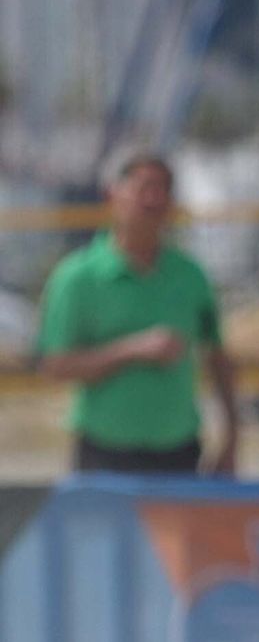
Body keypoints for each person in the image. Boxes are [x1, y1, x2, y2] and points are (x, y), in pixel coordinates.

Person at [34, 149, 238, 476]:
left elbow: (218, 357)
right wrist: (132, 350)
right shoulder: (78, 277)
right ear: (112, 195)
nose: (154, 199)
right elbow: (55, 364)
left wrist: (231, 439)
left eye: (163, 189)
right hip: (106, 451)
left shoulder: (189, 275)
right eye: (143, 187)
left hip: (179, 450)